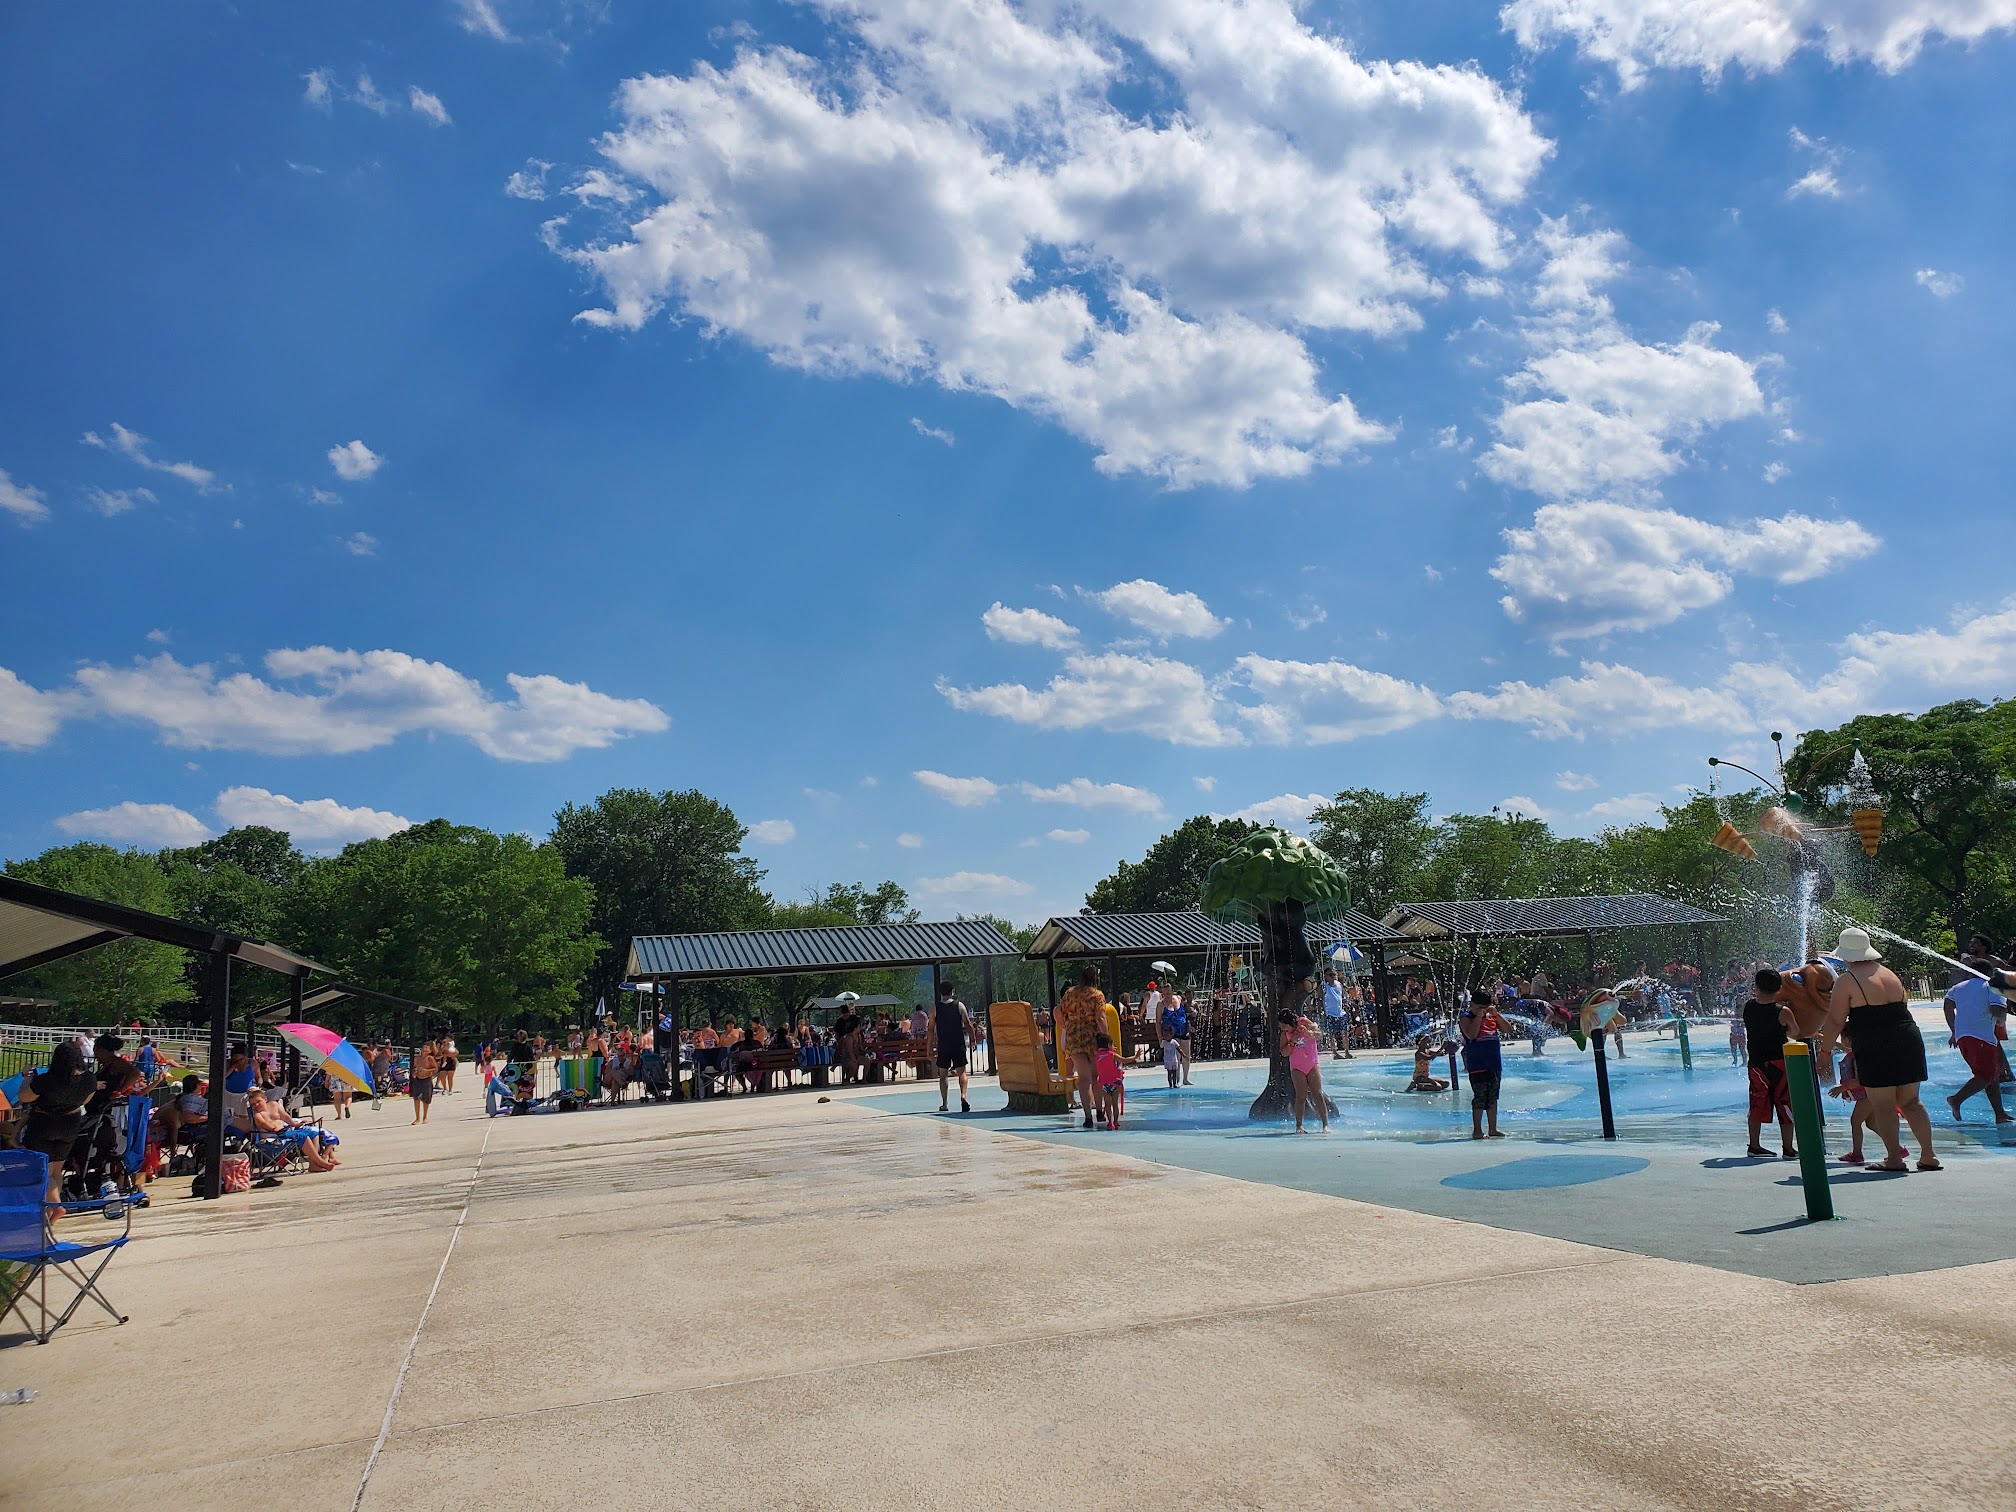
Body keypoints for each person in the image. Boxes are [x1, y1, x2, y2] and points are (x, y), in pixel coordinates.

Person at [1818, 927, 1938, 1173]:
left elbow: (1835, 1020)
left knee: (1883, 1105)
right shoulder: (1889, 974)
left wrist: (1825, 1052)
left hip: (1875, 1042)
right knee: (1911, 1102)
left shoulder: (1847, 980)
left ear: (1846, 954)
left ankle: (1894, 1158)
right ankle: (1929, 1155)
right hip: (1908, 1037)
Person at [18, 1039, 97, 1205]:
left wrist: (26, 1077)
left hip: (44, 1124)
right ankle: (54, 1206)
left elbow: (24, 1096)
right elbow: (85, 1100)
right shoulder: (89, 1079)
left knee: (44, 1169)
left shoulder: (46, 1080)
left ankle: (53, 1206)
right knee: (57, 1170)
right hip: (70, 1124)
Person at [1943, 956, 2009, 1124]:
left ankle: (2000, 1114)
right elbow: (1998, 1008)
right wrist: (2001, 1020)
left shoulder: (1957, 987)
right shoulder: (1991, 986)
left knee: (1992, 1075)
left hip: (1963, 1037)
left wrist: (1954, 1030)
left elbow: (1948, 1006)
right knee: (1986, 1076)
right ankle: (1956, 1099)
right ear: (1989, 973)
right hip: (1981, 1036)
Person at [1742, 970, 1799, 1160]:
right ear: (1779, 988)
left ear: (1756, 987)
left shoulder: (1749, 1007)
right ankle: (1788, 1148)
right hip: (1779, 1063)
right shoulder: (1783, 1012)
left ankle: (1754, 1145)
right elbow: (1795, 1032)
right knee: (1784, 1102)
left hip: (1756, 1064)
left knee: (1757, 1102)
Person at [1055, 965, 1110, 1129]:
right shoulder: (1097, 995)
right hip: (1092, 1039)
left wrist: (1067, 1026)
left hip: (1074, 1039)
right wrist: (1107, 1038)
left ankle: (1087, 1116)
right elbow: (1100, 1018)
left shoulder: (1070, 993)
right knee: (1096, 1077)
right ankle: (1099, 1111)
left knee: (1083, 1079)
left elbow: (1058, 1011)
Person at [1459, 988, 1506, 1139]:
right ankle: (1477, 1130)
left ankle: (1493, 1128)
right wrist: (1479, 1016)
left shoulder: (1491, 1017)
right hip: (1477, 1064)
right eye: (1479, 1007)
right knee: (1480, 1097)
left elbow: (1507, 1029)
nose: (1483, 1010)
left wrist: (1496, 1015)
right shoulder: (1466, 1018)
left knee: (1493, 1097)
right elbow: (1471, 1035)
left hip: (1494, 1063)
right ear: (1472, 1004)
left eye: (1485, 1007)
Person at [932, 981, 975, 1114]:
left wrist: (929, 1046)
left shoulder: (935, 1008)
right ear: (952, 991)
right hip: (958, 1043)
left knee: (943, 1075)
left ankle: (944, 1103)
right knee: (962, 1072)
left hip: (943, 1044)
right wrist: (973, 1039)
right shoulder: (959, 1005)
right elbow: (967, 1024)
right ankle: (963, 1096)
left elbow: (930, 1029)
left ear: (940, 992)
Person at [1283, 1011, 1328, 1134]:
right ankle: (1299, 1126)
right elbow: (1284, 1052)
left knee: (1318, 1094)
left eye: (1284, 1025)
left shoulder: (1303, 1022)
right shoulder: (1286, 1034)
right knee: (1300, 1096)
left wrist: (1308, 1033)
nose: (1283, 1028)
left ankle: (1325, 1124)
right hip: (1297, 1067)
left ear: (1290, 1023)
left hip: (1312, 1065)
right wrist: (1292, 1042)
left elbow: (1319, 1035)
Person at [1831, 1028, 1870, 1165]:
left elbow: (1860, 1080)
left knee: (1855, 1121)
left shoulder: (1857, 1057)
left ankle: (1857, 1154)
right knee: (1872, 1124)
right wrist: (1823, 1039)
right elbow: (1844, 1047)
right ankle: (1898, 1149)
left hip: (1868, 1096)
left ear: (1847, 1039)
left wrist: (1841, 1088)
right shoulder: (1856, 1051)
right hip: (1868, 1095)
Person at [1091, 1033, 1125, 1131]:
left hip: (1104, 1084)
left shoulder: (1097, 1056)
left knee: (1107, 1103)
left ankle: (1110, 1122)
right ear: (1109, 1045)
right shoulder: (1113, 1055)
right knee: (1115, 1104)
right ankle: (1116, 1122)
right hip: (1115, 1083)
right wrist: (1136, 1056)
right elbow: (1125, 1060)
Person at [1161, 986, 1192, 1086]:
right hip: (1173, 1032)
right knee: (1176, 1056)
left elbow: (1188, 1009)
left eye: (1168, 993)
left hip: (1184, 1029)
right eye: (1165, 994)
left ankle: (1185, 1078)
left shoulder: (1179, 999)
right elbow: (1158, 1022)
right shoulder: (1161, 1004)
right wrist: (1160, 1036)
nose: (1167, 995)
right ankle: (1177, 1079)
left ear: (1172, 992)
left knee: (1186, 1054)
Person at [1321, 970, 1350, 1060]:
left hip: (1340, 1012)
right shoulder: (1323, 986)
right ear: (1325, 976)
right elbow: (1320, 998)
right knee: (1331, 1034)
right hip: (1330, 1013)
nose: (1333, 976)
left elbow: (1343, 995)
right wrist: (1323, 1011)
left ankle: (1347, 1052)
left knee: (1345, 1032)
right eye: (1331, 975)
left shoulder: (1339, 984)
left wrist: (1345, 1002)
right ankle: (1335, 1052)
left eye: (1334, 974)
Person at [410, 1040, 437, 1125]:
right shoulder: (417, 1058)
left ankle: (425, 1117)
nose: (424, 1049)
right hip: (418, 1079)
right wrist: (414, 1072)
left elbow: (435, 1069)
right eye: (423, 1047)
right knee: (416, 1098)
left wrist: (427, 1070)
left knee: (426, 1099)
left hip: (427, 1079)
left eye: (426, 1048)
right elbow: (414, 1067)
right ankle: (417, 1118)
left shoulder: (430, 1058)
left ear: (430, 1051)